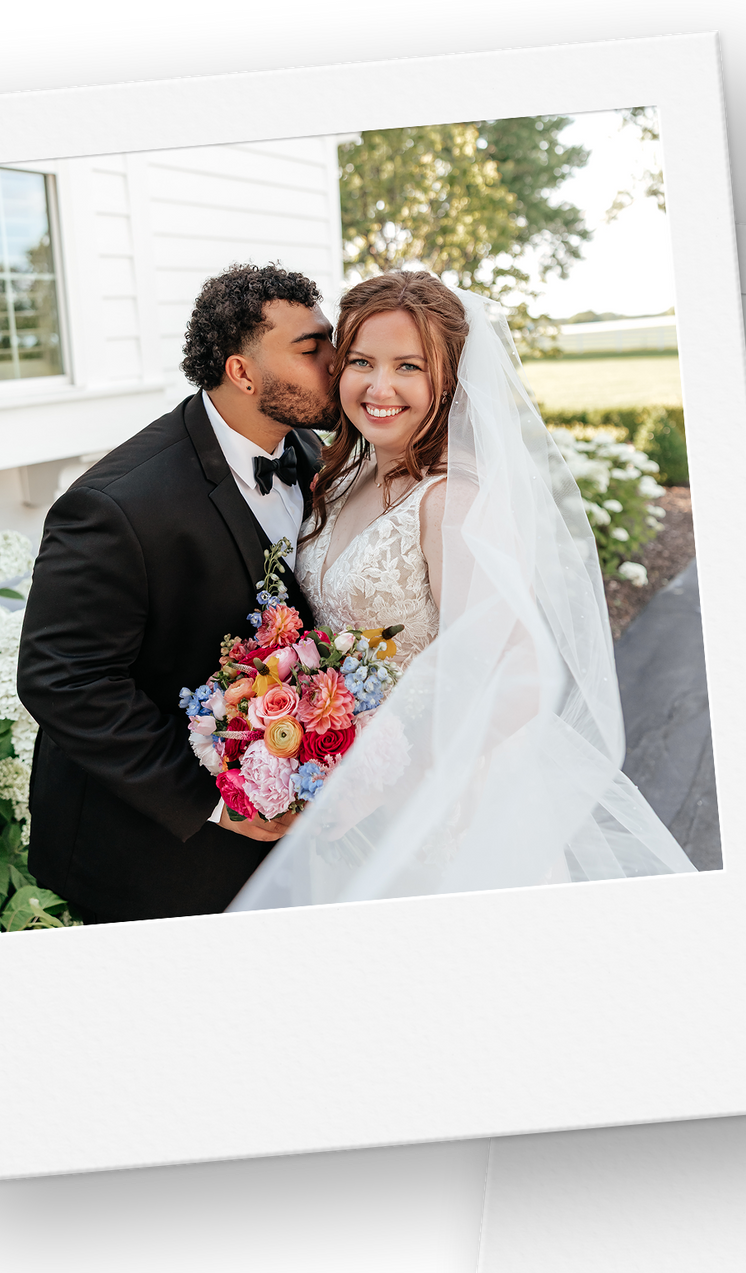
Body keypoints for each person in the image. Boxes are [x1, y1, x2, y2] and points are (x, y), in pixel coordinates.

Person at [228, 273, 693, 910]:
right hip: (339, 786)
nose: (379, 386)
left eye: (407, 367)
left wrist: (387, 779)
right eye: (361, 361)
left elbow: (521, 676)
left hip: (430, 805)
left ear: (446, 382)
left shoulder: (454, 500)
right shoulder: (341, 475)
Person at [17, 263, 336, 923]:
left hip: (285, 850)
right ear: (242, 372)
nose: (336, 362)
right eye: (311, 349)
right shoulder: (115, 505)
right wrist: (218, 796)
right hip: (156, 860)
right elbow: (62, 678)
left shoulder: (308, 451)